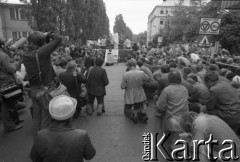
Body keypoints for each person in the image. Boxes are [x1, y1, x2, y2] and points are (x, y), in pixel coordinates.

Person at [30, 95, 96, 162]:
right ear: (71, 116)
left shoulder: (41, 135)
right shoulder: (81, 135)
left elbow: (34, 158)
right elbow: (89, 156)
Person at [23, 31, 62, 138]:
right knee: (47, 118)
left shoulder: (26, 54)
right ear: (40, 41)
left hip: (34, 90)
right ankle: (45, 144)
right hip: (45, 90)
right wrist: (47, 34)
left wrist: (40, 37)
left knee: (37, 118)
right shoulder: (41, 52)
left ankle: (38, 144)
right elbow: (58, 38)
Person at [155, 70, 189, 152]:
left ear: (169, 79)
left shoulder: (167, 90)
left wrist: (159, 108)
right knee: (179, 142)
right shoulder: (184, 89)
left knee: (170, 144)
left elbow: (160, 106)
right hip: (183, 120)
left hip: (170, 121)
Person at [0, 37, 23, 132]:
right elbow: (11, 69)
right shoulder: (2, 55)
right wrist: (17, 62)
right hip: (5, 80)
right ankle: (9, 125)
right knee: (7, 103)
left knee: (10, 100)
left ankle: (15, 120)